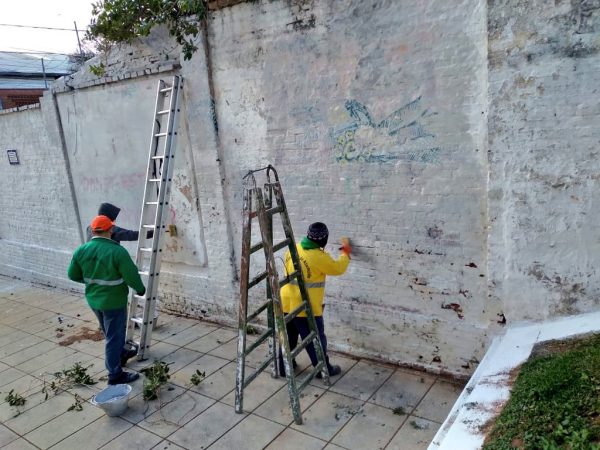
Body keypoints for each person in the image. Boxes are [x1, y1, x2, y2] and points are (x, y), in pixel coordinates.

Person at [68, 215, 146, 385]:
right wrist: (140, 289)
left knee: (110, 332)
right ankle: (115, 375)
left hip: (94, 300)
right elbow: (131, 274)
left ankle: (120, 354)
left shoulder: (81, 250)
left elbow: (72, 275)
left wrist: (92, 282)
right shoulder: (117, 251)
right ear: (110, 230)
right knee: (114, 338)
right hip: (114, 301)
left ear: (93, 231)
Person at [279, 222, 352, 378]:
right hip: (304, 305)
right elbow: (338, 268)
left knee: (288, 336)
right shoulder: (319, 257)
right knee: (315, 338)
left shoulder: (294, 247)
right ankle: (322, 369)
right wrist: (346, 252)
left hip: (285, 300)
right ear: (323, 239)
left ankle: (284, 367)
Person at [85, 202, 152, 243]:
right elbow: (131, 235)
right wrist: (153, 233)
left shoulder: (89, 228)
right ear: (109, 216)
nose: (115, 220)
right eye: (114, 217)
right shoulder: (110, 229)